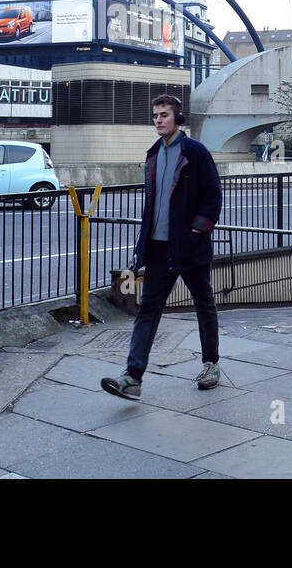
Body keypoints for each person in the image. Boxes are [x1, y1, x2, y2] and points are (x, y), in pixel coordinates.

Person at [101, 94, 223, 400]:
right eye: (155, 115)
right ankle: (132, 377)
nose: (158, 119)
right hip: (157, 248)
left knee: (203, 304)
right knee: (148, 311)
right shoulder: (153, 154)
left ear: (177, 119)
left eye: (164, 115)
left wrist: (197, 229)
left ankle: (212, 365)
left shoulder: (195, 152)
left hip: (189, 245)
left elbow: (213, 195)